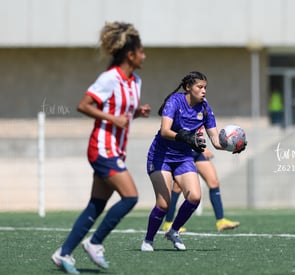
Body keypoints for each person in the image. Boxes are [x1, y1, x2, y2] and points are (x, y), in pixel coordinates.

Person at [51, 21, 150, 274]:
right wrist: (112, 119)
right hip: (102, 148)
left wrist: (136, 113)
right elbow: (83, 105)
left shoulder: (135, 81)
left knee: (96, 205)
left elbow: (121, 112)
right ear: (130, 54)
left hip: (116, 149)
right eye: (141, 51)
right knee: (130, 197)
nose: (144, 56)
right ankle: (94, 243)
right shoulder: (109, 78)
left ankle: (63, 254)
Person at [141, 71, 246, 252]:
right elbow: (165, 131)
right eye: (200, 87)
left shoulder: (205, 108)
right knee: (163, 204)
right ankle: (148, 240)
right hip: (161, 157)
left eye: (205, 87)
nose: (204, 91)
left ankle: (173, 231)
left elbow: (215, 140)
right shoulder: (174, 101)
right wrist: (187, 138)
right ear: (189, 87)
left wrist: (232, 147)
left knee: (195, 197)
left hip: (183, 158)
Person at [161, 146, 240, 232]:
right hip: (184, 151)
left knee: (214, 183)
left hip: (197, 152)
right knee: (177, 188)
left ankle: (221, 221)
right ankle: (168, 223)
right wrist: (201, 148)